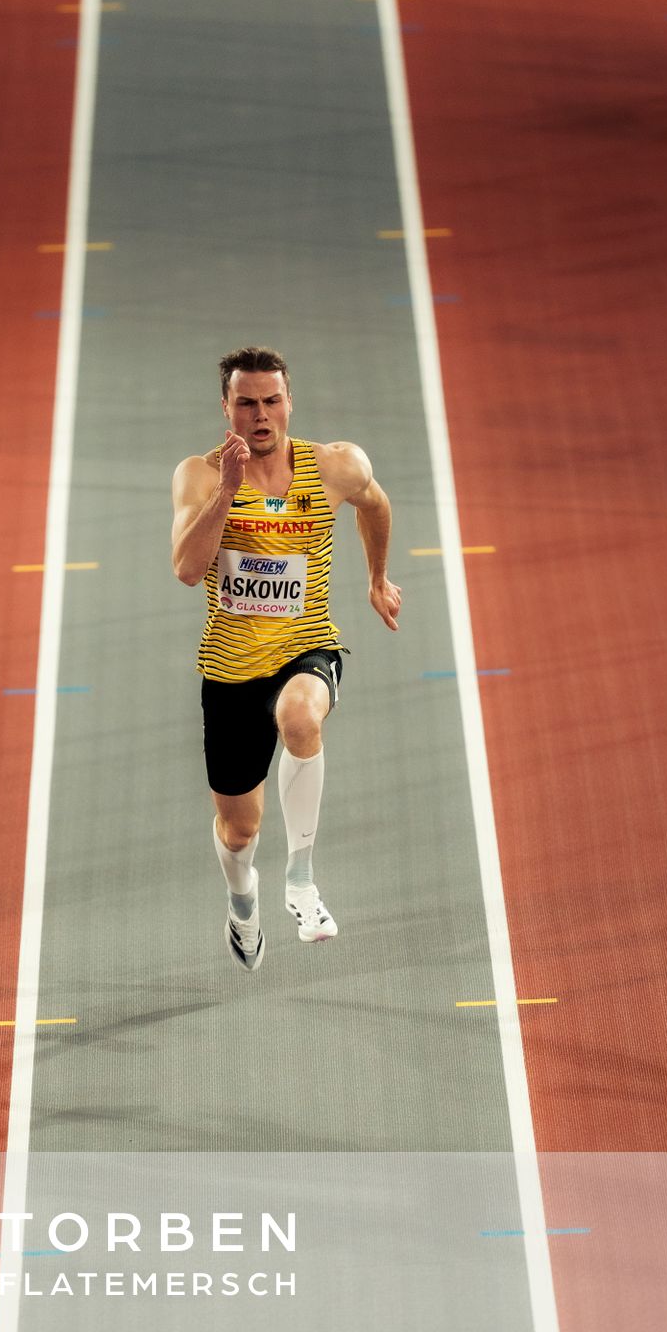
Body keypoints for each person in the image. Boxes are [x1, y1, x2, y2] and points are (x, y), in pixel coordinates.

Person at [171, 345, 401, 971]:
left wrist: (377, 579)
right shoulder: (199, 474)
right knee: (239, 831)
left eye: (272, 400)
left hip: (307, 645)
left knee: (302, 716)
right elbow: (189, 571)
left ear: (289, 402)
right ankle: (243, 902)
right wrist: (226, 494)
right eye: (247, 403)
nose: (261, 414)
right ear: (227, 408)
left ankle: (300, 880)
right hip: (229, 668)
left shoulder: (334, 466)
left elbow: (375, 505)